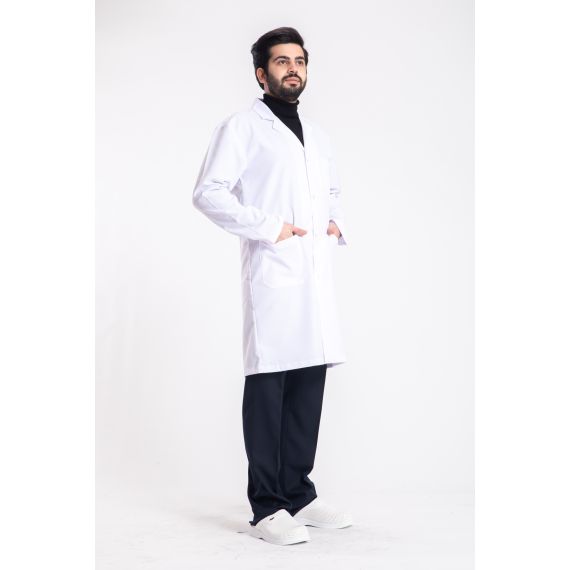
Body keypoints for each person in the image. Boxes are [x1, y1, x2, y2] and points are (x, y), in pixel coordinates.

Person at [192, 27, 353, 545]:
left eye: (299, 60)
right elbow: (209, 192)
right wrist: (270, 227)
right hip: (275, 274)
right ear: (262, 74)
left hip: (314, 275)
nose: (293, 69)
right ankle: (267, 506)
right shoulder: (243, 127)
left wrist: (334, 221)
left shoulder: (317, 134)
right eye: (282, 61)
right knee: (269, 385)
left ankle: (299, 493)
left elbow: (330, 189)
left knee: (308, 382)